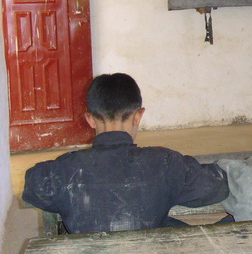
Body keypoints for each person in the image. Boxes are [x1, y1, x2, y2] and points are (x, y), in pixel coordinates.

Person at [23, 73, 230, 234]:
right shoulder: (164, 162)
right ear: (138, 116)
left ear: (90, 119)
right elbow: (216, 187)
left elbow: (32, 186)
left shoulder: (64, 169)